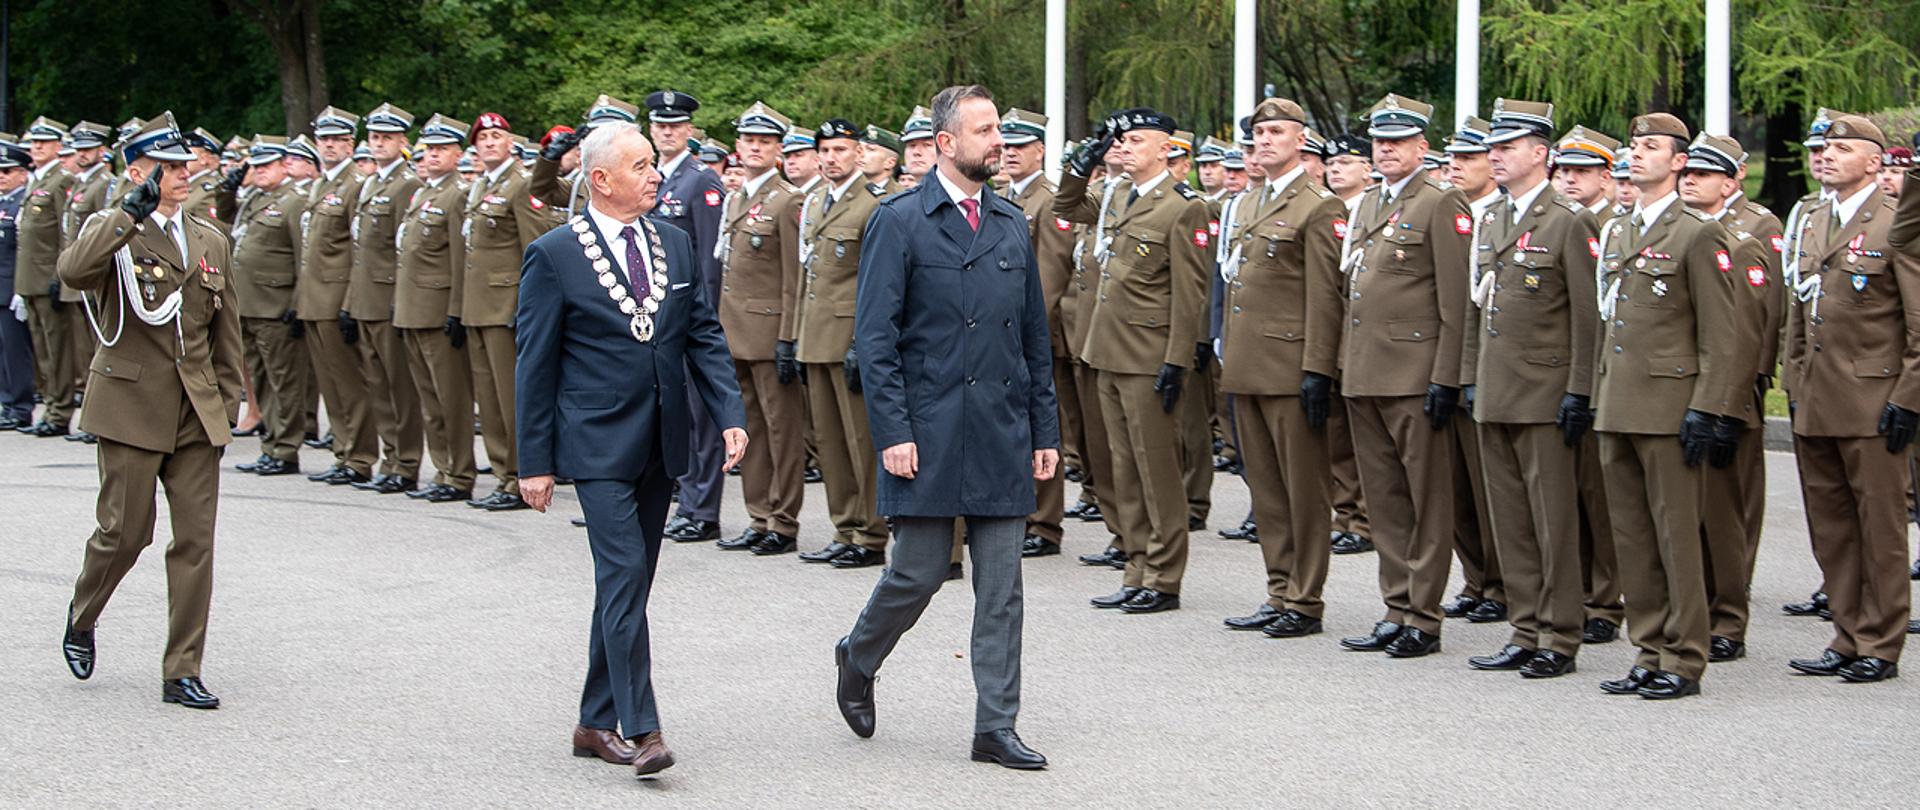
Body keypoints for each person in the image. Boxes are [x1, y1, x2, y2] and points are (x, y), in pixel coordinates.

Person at [835, 84, 1057, 770]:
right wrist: (893, 432)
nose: (999, 142)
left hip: (1000, 428)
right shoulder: (899, 220)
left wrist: (1045, 432)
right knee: (919, 572)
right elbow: (875, 341)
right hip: (927, 428)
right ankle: (858, 655)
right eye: (985, 130)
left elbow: (1033, 337)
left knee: (1002, 589)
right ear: (945, 142)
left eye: (1000, 131)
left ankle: (996, 726)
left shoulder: (1010, 221)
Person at [515, 122, 747, 778]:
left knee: (630, 584)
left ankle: (594, 721)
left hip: (660, 440)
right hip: (595, 443)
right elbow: (534, 364)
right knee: (622, 576)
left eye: (653, 163)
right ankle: (644, 729)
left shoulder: (672, 242)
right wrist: (534, 463)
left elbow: (702, 332)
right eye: (641, 166)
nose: (655, 175)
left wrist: (729, 413)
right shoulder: (555, 255)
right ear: (601, 180)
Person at [58, 113, 245, 710]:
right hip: (131, 405)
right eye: (167, 167)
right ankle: (83, 613)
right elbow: (73, 271)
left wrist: (227, 404)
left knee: (195, 543)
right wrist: (128, 214)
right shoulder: (112, 228)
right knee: (125, 533)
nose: (183, 175)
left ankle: (182, 670)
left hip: (195, 409)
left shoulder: (210, 239)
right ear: (138, 173)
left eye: (185, 165)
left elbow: (226, 332)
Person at [1592, 112, 1741, 700]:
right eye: (1634, 145)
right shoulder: (1620, 228)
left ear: (1679, 162)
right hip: (1619, 403)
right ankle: (1648, 647)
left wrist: (1708, 408)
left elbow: (1721, 335)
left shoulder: (1697, 233)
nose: (1636, 153)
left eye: (1650, 146)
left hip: (1670, 406)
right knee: (1632, 537)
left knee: (1676, 538)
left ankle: (1684, 656)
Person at [1460, 99, 1599, 678]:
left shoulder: (1568, 219)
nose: (1495, 156)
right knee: (1511, 521)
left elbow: (1589, 315)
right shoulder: (1492, 217)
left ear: (1540, 153)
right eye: (1492, 147)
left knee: (1551, 521)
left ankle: (1560, 635)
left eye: (1507, 147)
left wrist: (1580, 391)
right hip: (1497, 390)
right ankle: (1524, 628)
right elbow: (1477, 308)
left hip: (1545, 392)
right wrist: (1470, 377)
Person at [1054, 107, 1210, 614]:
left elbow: (1190, 293)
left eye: (1135, 140)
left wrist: (1177, 360)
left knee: (1156, 471)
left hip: (1148, 358)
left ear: (1166, 150)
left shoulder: (1182, 207)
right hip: (1106, 350)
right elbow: (1065, 205)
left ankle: (1164, 577)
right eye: (1119, 141)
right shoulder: (1117, 194)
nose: (1123, 147)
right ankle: (1136, 567)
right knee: (1124, 469)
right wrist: (1082, 164)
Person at [1335, 94, 1471, 659]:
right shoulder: (1369, 202)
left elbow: (1456, 299)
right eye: (1379, 142)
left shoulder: (1440, 201)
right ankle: (1396, 606)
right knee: (1385, 500)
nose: (1385, 150)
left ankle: (1424, 615)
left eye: (1397, 142)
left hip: (1415, 374)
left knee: (1426, 500)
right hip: (1365, 370)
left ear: (1422, 147)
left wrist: (1447, 376)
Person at [1215, 97, 1346, 638]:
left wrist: (1318, 369)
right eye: (1259, 134)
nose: (1264, 141)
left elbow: (1326, 296)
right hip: (1248, 366)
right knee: (1267, 490)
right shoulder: (1249, 202)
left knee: (1303, 491)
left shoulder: (1319, 206)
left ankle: (1306, 598)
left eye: (1276, 132)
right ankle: (1278, 589)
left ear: (1300, 140)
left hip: (1291, 369)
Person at [1788, 115, 1912, 683]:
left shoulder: (1896, 221)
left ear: (1874, 160)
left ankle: (1880, 643)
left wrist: (1908, 396)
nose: (1828, 155)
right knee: (1832, 527)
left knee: (1879, 529)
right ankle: (1846, 632)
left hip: (1873, 399)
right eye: (1825, 147)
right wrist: (1794, 382)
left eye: (1843, 148)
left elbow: (1917, 318)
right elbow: (1800, 309)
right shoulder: (1815, 218)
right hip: (1817, 396)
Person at [1679, 132, 1779, 663]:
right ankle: (1696, 611)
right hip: (1683, 393)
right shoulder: (1682, 234)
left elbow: (1751, 331)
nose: (1691, 181)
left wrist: (1733, 404)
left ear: (1730, 181)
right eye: (1687, 173)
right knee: (1687, 517)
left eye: (1704, 174)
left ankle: (1728, 621)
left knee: (1723, 518)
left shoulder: (1745, 238)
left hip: (1727, 400)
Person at [792, 119, 891, 567]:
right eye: (825, 151)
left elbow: (876, 282)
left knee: (860, 442)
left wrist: (861, 343)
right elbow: (807, 276)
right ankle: (844, 527)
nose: (831, 158)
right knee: (830, 443)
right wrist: (795, 337)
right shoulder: (816, 201)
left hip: (850, 338)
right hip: (815, 337)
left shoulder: (873, 205)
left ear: (858, 154)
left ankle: (870, 533)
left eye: (840, 150)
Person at [714, 102, 808, 554]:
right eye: (749, 140)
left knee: (781, 430)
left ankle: (783, 521)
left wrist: (789, 336)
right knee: (747, 426)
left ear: (778, 150)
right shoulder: (736, 197)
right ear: (737, 145)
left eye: (765, 142)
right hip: (735, 331)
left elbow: (794, 277)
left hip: (770, 334)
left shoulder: (788, 200)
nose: (755, 147)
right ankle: (758, 515)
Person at [641, 90, 731, 544]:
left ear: (690, 131)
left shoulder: (702, 181)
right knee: (673, 413)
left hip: (688, 318)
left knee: (700, 418)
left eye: (675, 126)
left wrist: (703, 324)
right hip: (656, 318)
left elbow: (711, 261)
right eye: (660, 126)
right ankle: (685, 502)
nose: (667, 132)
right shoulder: (652, 179)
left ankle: (702, 509)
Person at [1550, 125, 1627, 644]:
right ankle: (1575, 592)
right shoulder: (1560, 221)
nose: (1570, 179)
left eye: (1582, 171)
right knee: (1568, 497)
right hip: (1558, 376)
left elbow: (1596, 316)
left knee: (1599, 499)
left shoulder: (1614, 226)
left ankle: (1604, 600)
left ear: (1607, 177)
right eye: (1564, 171)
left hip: (1602, 378)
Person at [463, 112, 556, 511]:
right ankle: (503, 474)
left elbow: (537, 249)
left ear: (511, 143)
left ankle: (521, 475)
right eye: (482, 137)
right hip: (478, 306)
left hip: (506, 306)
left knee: (511, 398)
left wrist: (528, 306)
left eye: (496, 136)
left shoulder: (521, 184)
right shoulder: (481, 185)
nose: (489, 142)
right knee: (489, 399)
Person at [995, 109, 1075, 558]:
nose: (1010, 154)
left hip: (1033, 334)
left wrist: (1025, 332)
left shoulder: (1051, 200)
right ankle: (1019, 511)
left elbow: (1051, 275)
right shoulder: (1001, 196)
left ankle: (1044, 522)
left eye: (1020, 147)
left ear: (1040, 150)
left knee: (1041, 425)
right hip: (1003, 333)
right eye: (1005, 146)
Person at [1439, 115, 1505, 624]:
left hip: (1494, 371)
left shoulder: (1501, 216)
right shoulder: (1449, 212)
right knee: (1458, 485)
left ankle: (1503, 584)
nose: (1456, 167)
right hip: (1450, 367)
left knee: (1492, 488)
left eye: (1468, 158)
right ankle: (1476, 578)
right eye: (1453, 158)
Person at [395, 114, 479, 504]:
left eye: (442, 149)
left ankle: (460, 473)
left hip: (439, 309)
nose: (432, 156)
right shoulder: (424, 193)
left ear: (458, 154)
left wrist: (456, 311)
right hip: (413, 309)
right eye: (428, 149)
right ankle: (443, 469)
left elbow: (462, 258)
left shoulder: (458, 194)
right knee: (430, 401)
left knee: (451, 400)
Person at [346, 103, 425, 494]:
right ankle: (390, 459)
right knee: (378, 385)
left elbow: (402, 249)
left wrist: (398, 297)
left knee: (399, 387)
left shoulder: (405, 184)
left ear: (402, 142)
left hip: (389, 297)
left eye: (387, 138)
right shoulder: (371, 182)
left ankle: (406, 463)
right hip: (366, 298)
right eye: (375, 137)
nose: (378, 143)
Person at [299, 106, 378, 487]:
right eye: (324, 139)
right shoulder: (320, 184)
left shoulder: (356, 184)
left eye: (337, 140)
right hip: (313, 297)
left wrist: (349, 302)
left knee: (349, 383)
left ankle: (360, 456)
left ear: (350, 144)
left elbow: (360, 249)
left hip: (337, 297)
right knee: (330, 384)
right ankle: (343, 451)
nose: (329, 146)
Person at [225, 136, 312, 477]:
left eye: (266, 166)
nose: (259, 171)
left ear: (284, 166)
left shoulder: (294, 201)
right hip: (249, 303)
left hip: (276, 305)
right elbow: (229, 220)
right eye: (256, 166)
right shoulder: (255, 198)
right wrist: (228, 188)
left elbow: (304, 257)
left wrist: (298, 303)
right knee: (260, 379)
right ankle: (270, 444)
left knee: (283, 382)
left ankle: (285, 449)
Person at [15, 116, 75, 437]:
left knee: (57, 350)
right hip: (29, 279)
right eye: (34, 142)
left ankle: (60, 411)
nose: (36, 147)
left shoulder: (61, 180)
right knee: (42, 351)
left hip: (47, 277)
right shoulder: (37, 180)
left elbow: (66, 232)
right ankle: (51, 406)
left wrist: (59, 275)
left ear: (58, 147)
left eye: (44, 142)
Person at [0, 136, 34, 429]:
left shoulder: (25, 202)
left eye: (7, 171)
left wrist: (21, 290)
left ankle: (21, 406)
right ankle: (7, 403)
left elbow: (25, 249)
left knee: (15, 351)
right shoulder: (3, 202)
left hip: (11, 286)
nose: (1, 176)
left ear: (23, 174)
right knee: (2, 352)